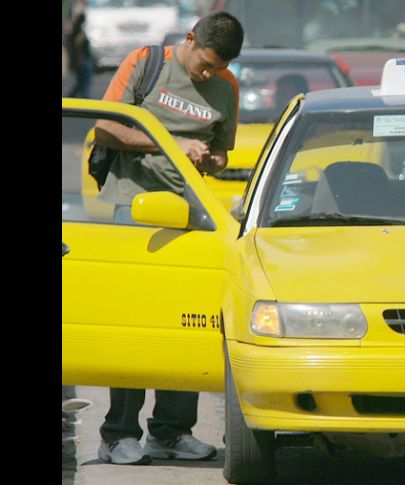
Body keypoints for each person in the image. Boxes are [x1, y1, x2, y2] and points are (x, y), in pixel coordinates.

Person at [93, 11, 244, 465]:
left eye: (219, 68)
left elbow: (222, 151)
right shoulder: (146, 62)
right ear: (190, 38)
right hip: (133, 212)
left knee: (183, 320)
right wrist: (171, 145)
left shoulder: (227, 86)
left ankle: (172, 432)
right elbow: (105, 129)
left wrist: (211, 160)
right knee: (132, 320)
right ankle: (118, 434)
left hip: (189, 216)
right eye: (206, 64)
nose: (209, 74)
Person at [65, 10, 94, 98]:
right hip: (83, 61)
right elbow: (79, 47)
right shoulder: (78, 31)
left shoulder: (76, 30)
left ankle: (70, 98)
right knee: (85, 84)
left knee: (81, 83)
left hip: (82, 61)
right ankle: (84, 99)